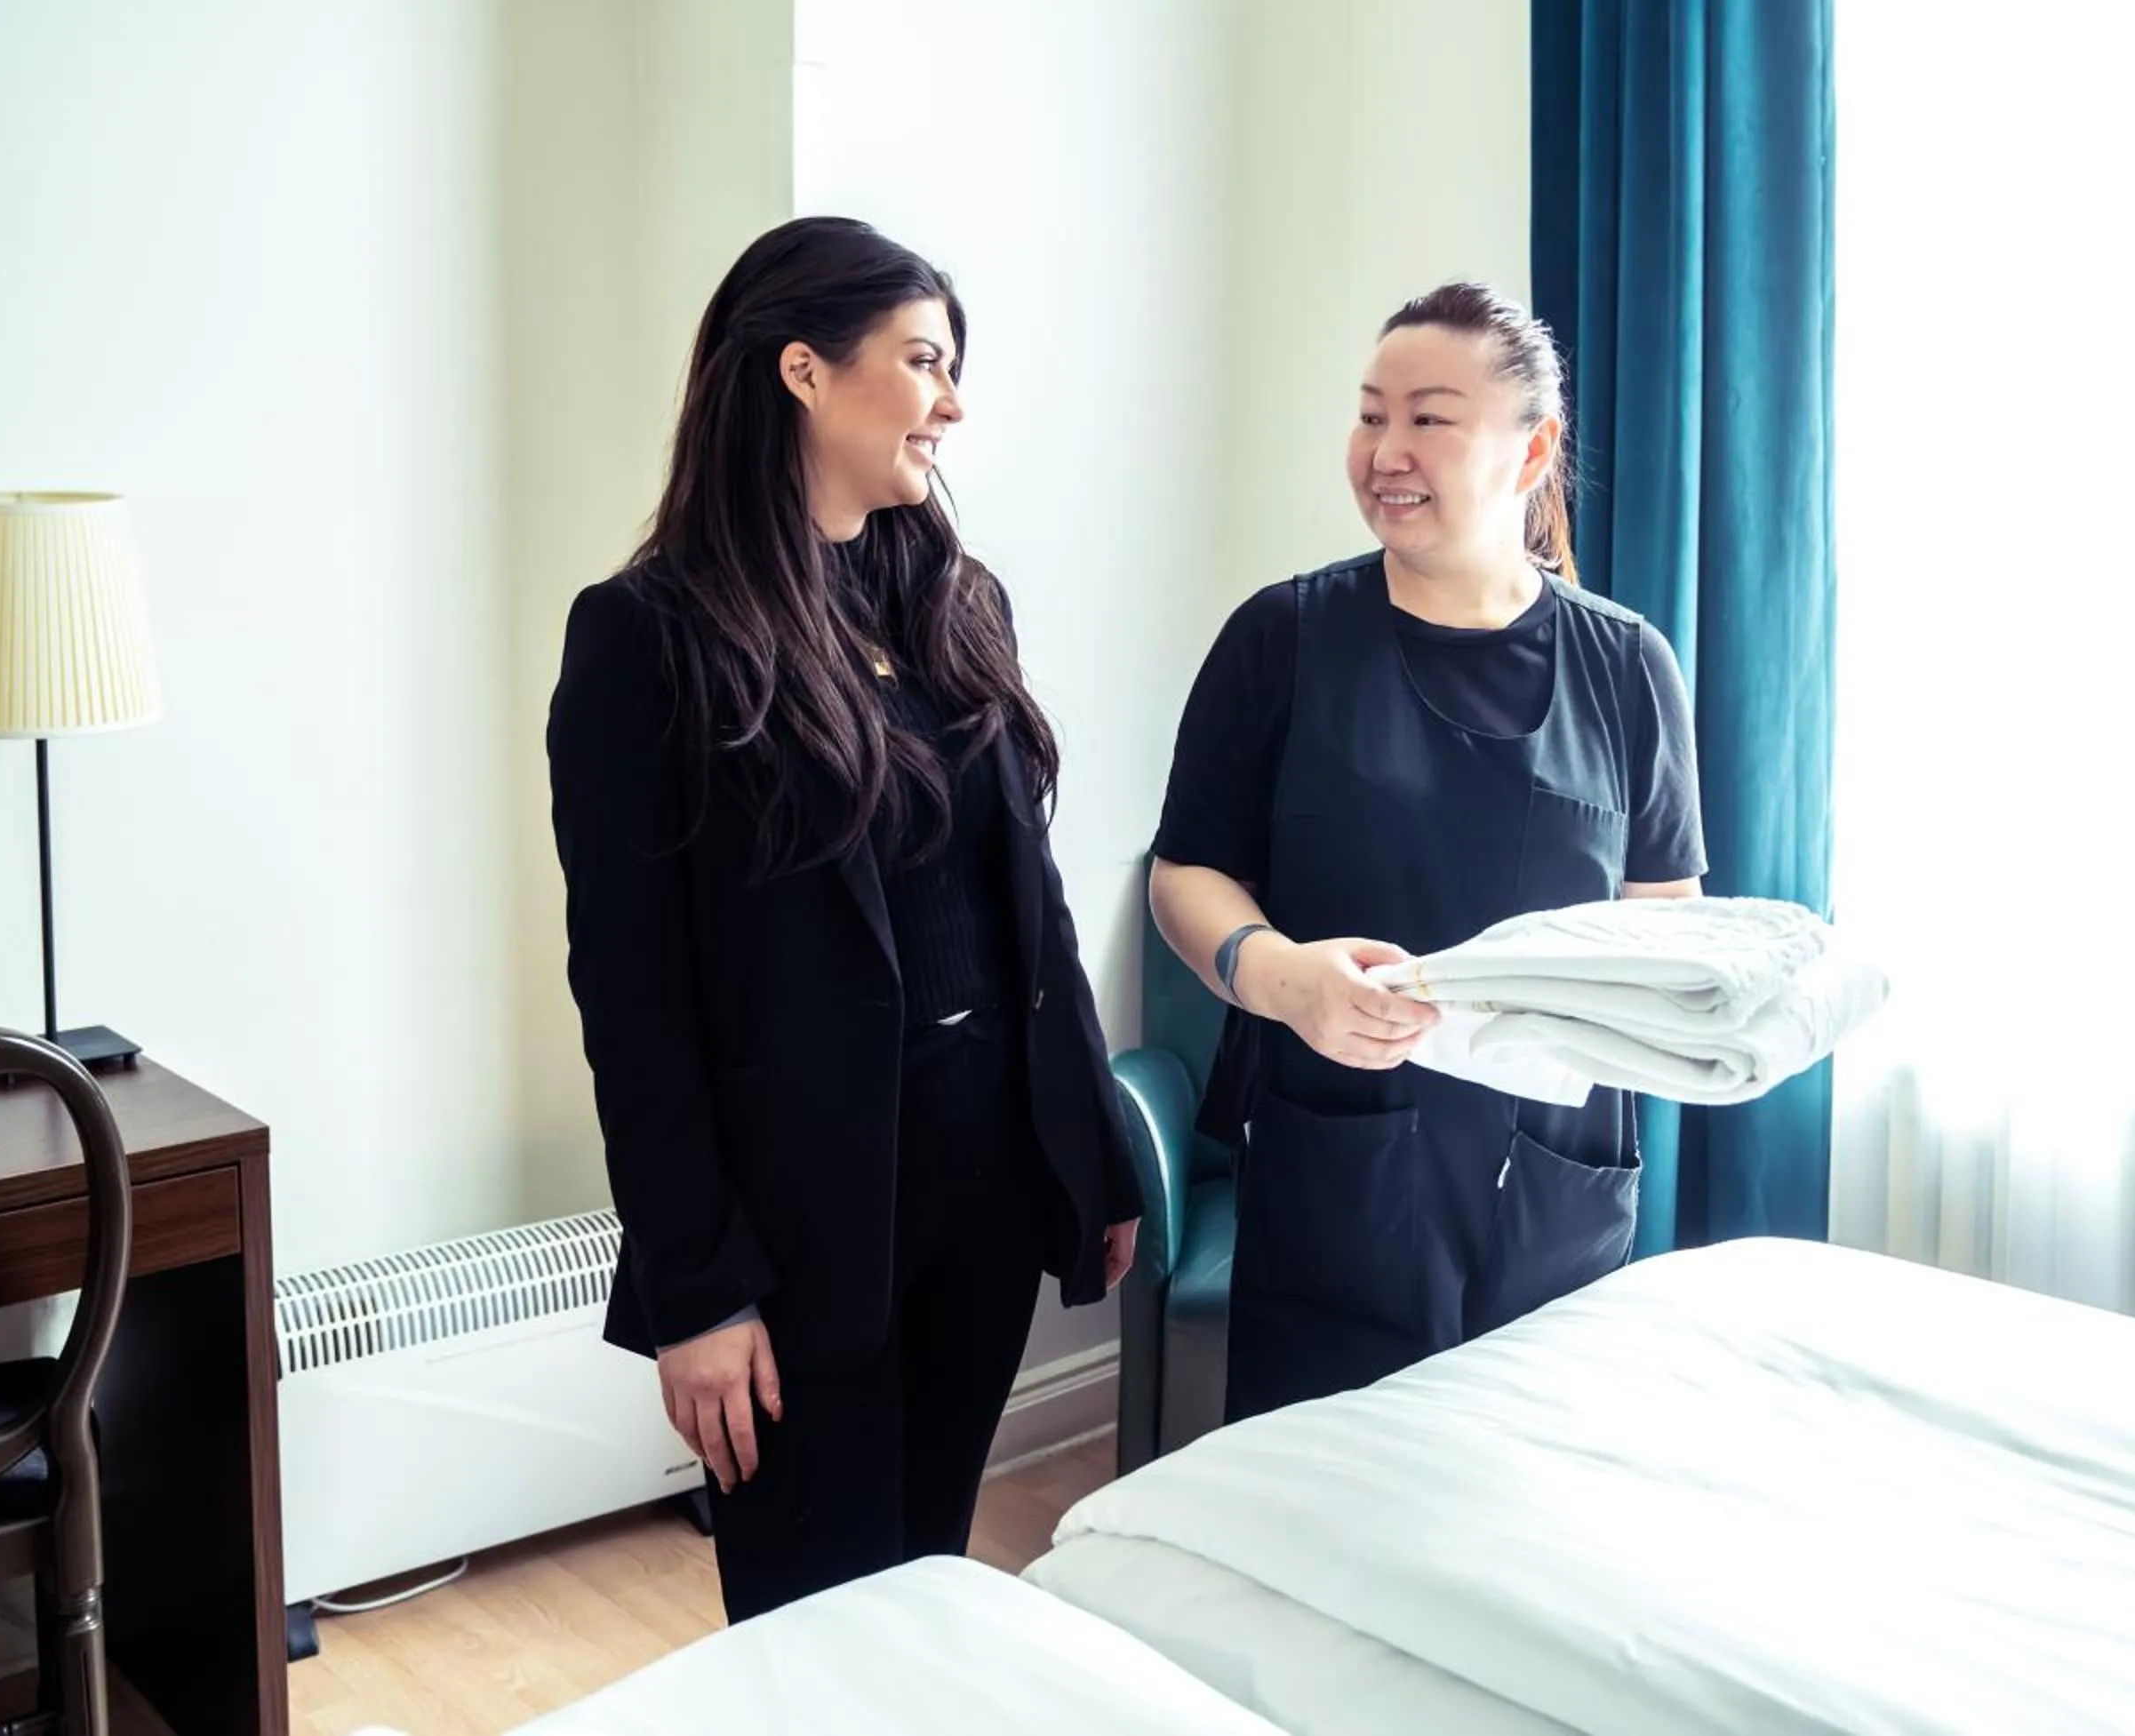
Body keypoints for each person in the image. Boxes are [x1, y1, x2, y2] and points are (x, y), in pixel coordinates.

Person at [546, 216, 1141, 1622]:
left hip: (984, 1185)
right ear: (803, 370)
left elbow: (1029, 902)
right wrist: (696, 1289)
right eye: (924, 361)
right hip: (802, 1215)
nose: (952, 401)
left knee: (926, 1573)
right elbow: (630, 997)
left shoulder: (950, 596)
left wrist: (1093, 1138)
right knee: (813, 1615)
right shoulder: (647, 637)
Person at [1147, 280, 1705, 1423]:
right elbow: (1185, 874)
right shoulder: (1283, 638)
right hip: (1342, 1171)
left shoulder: (1629, 666)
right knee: (1317, 1511)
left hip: (1556, 1178)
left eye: (1429, 417)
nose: (1385, 450)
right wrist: (1278, 976)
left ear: (1532, 447)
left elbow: (1667, 914)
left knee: (1523, 1505)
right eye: (1369, 414)